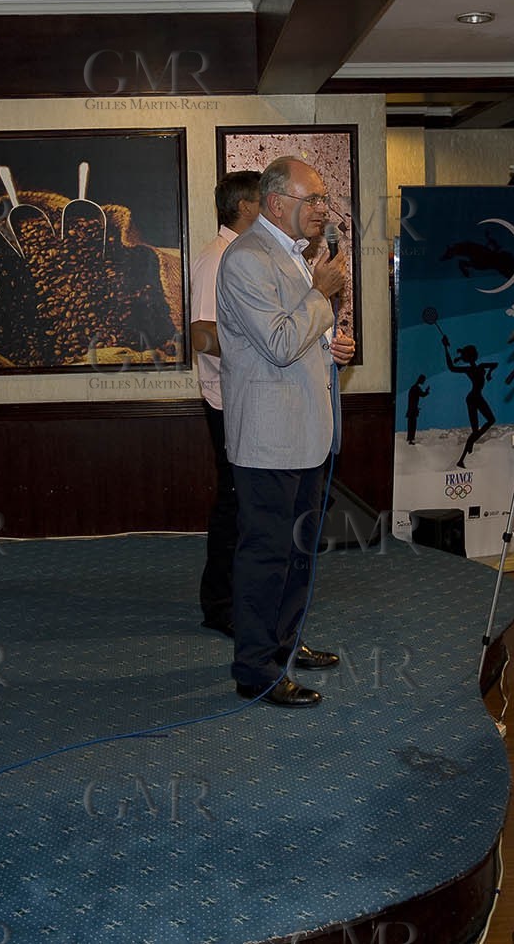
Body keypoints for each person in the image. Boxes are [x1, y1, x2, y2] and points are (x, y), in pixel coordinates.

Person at [216, 156, 355, 709]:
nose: (323, 210)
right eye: (313, 199)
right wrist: (321, 293)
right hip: (270, 440)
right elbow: (276, 342)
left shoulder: (297, 258)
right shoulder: (246, 259)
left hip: (307, 433)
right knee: (267, 555)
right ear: (277, 203)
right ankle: (255, 669)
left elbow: (298, 339)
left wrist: (331, 349)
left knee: (299, 552)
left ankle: (285, 642)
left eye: (324, 200)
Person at [189, 171, 261, 637]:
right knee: (234, 504)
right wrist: (259, 349)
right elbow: (201, 334)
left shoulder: (241, 256)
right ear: (246, 207)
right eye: (266, 201)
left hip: (247, 399)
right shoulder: (218, 259)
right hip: (227, 401)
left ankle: (233, 598)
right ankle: (219, 605)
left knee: (243, 503)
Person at [441, 341, 497, 467]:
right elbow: (451, 367)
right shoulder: (473, 368)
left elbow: (495, 364)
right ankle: (463, 456)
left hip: (476, 397)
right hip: (473, 398)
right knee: (481, 426)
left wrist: (489, 373)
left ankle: (468, 447)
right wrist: (445, 348)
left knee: (488, 422)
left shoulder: (479, 367)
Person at [405, 374, 430, 445]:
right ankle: (410, 440)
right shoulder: (416, 388)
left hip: (411, 410)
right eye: (423, 380)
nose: (424, 382)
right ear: (421, 380)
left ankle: (410, 439)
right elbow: (422, 394)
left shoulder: (413, 388)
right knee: (412, 425)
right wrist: (427, 391)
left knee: (411, 425)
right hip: (412, 411)